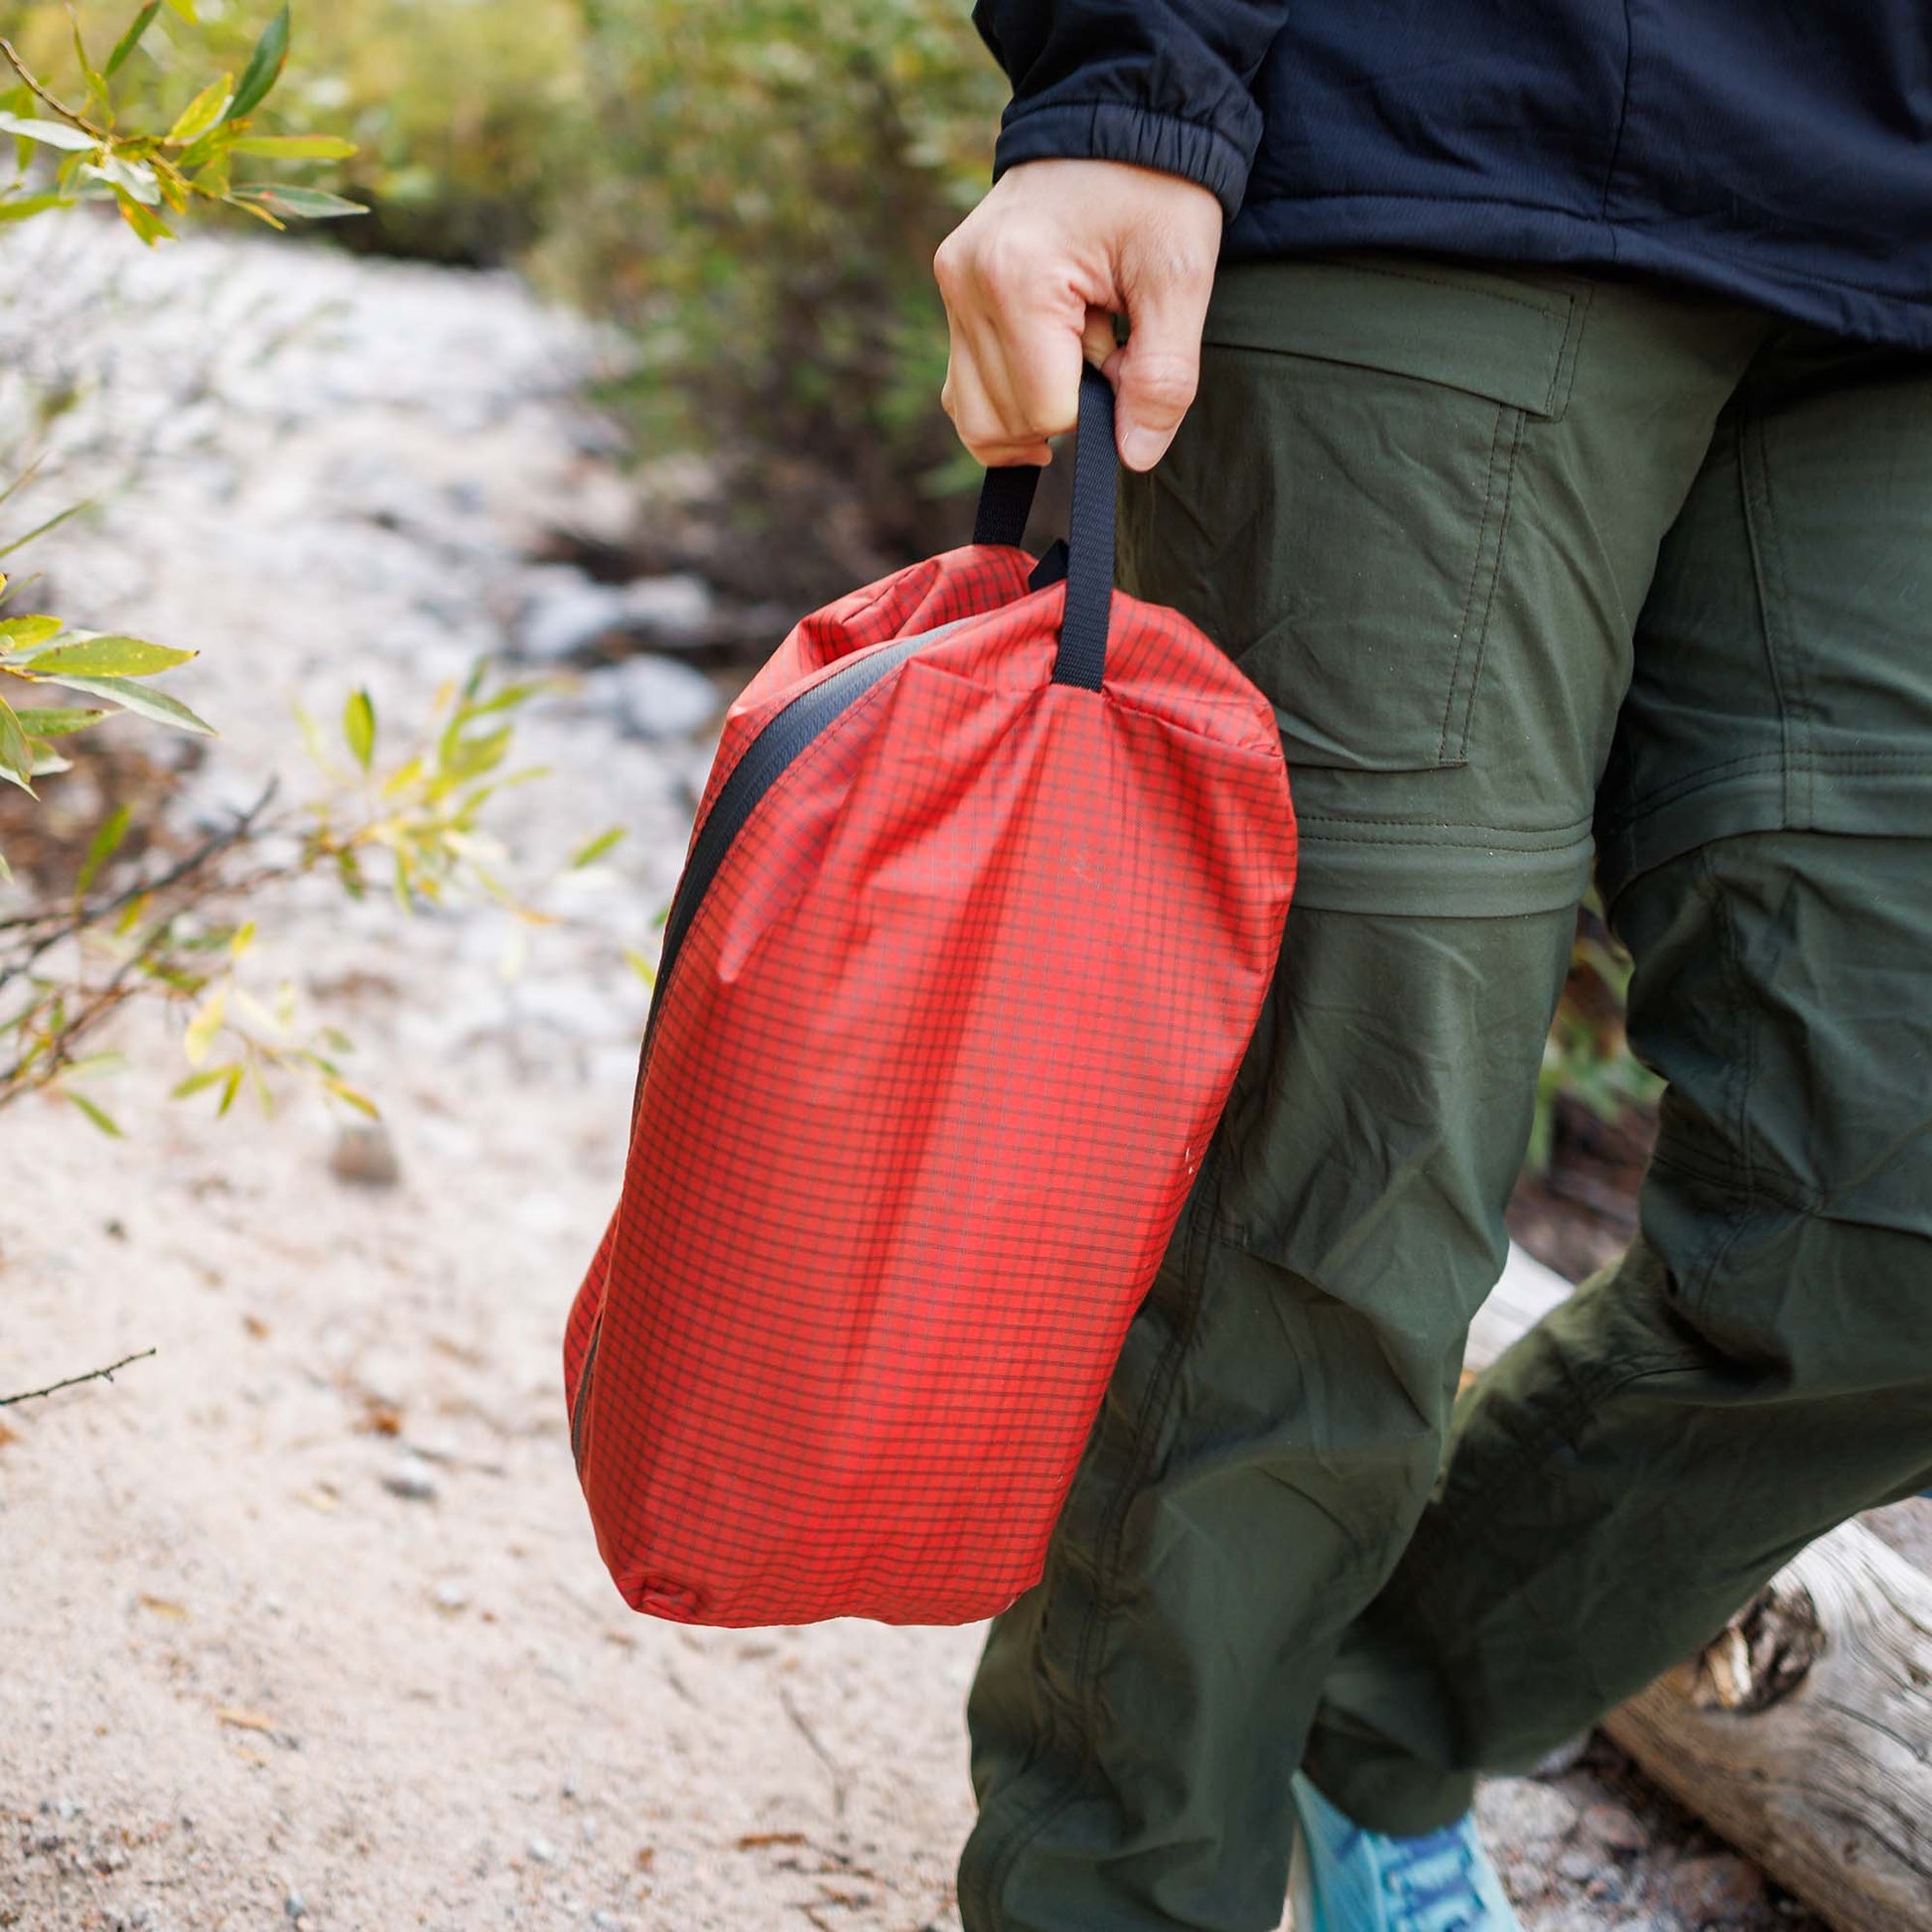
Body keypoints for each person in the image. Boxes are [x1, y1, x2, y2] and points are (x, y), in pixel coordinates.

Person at [931, 6, 1932, 1929]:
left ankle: (1360, 1727)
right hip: (1447, 138)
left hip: (1891, 269)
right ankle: (1118, 1883)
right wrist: (1130, 75)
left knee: (1891, 1205)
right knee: (1319, 1208)